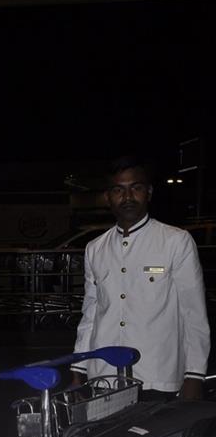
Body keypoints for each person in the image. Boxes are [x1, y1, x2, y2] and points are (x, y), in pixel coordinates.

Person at [71, 157, 210, 399]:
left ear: (148, 192)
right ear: (108, 197)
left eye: (135, 188)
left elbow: (194, 313)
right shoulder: (95, 248)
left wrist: (195, 375)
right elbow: (91, 313)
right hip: (104, 375)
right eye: (118, 190)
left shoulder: (175, 241)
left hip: (157, 373)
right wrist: (78, 367)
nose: (127, 197)